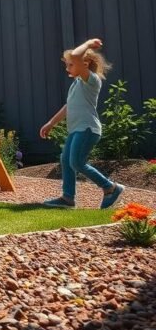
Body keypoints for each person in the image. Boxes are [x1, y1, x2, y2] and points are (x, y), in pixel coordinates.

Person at [39, 38, 124, 208]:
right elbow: (68, 107)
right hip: (77, 129)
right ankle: (68, 198)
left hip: (87, 128)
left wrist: (88, 44)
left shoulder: (91, 80)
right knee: (66, 159)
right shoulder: (77, 83)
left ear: (84, 64)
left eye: (71, 64)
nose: (67, 68)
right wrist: (51, 123)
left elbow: (77, 55)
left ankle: (110, 188)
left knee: (77, 162)